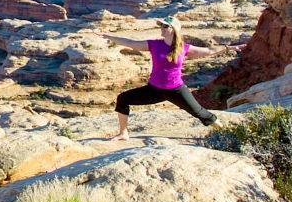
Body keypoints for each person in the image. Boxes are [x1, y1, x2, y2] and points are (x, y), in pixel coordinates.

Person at [100, 16, 242, 141]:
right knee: (123, 99)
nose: (161, 28)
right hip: (154, 89)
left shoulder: (184, 48)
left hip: (176, 90)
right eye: (161, 25)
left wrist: (230, 48)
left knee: (200, 113)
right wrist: (108, 36)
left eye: (165, 26)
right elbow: (130, 43)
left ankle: (229, 133)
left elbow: (209, 51)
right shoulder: (154, 44)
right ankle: (123, 133)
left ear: (173, 29)